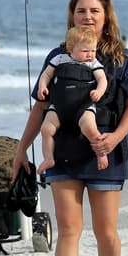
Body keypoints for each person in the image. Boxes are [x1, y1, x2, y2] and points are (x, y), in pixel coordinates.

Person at [14, 0, 128, 256]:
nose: (87, 17)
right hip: (64, 152)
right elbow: (41, 106)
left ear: (106, 17)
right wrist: (21, 148)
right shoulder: (57, 57)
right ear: (72, 16)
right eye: (81, 11)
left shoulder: (123, 59)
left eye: (94, 11)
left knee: (106, 231)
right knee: (68, 229)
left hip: (105, 150)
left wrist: (115, 138)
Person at [35, 26, 109, 173]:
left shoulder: (93, 63)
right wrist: (42, 87)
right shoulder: (59, 59)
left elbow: (102, 79)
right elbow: (46, 75)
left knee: (90, 128)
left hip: (83, 106)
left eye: (93, 50)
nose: (90, 54)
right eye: (85, 51)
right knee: (46, 129)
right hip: (58, 106)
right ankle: (48, 158)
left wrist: (99, 91)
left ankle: (101, 154)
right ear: (70, 48)